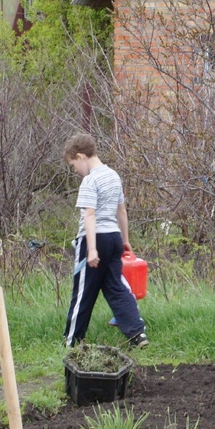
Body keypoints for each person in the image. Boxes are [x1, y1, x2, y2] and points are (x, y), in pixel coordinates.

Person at [63, 133, 148, 348]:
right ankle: (137, 333)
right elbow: (122, 211)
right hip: (114, 238)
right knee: (116, 286)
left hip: (94, 240)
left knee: (83, 292)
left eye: (73, 165)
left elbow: (90, 216)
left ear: (80, 156)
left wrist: (92, 250)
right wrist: (125, 240)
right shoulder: (113, 176)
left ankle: (71, 342)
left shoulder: (90, 180)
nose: (75, 171)